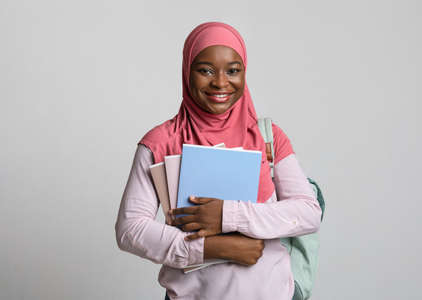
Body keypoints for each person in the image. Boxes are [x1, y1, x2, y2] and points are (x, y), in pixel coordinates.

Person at [115, 22, 322, 300]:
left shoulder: (268, 137)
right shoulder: (160, 141)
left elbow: (309, 212)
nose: (221, 82)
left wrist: (227, 214)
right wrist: (212, 248)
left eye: (233, 70)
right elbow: (130, 230)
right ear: (187, 70)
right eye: (206, 70)